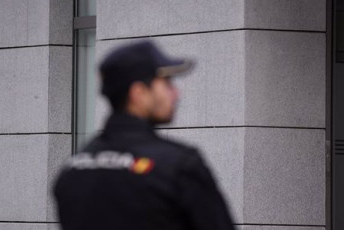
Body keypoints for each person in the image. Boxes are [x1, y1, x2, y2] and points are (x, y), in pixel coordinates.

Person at [53, 41, 235, 230]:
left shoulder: (73, 170)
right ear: (138, 93)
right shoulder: (179, 166)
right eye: (166, 83)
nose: (176, 93)